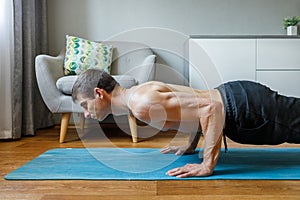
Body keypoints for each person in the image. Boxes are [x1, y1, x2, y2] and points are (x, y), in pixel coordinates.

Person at [72, 69, 300, 178]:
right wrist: (190, 146)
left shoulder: (141, 103)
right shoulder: (138, 95)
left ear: (99, 93)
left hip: (244, 110)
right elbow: (194, 110)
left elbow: (211, 108)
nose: (86, 113)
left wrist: (207, 165)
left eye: (84, 105)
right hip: (237, 100)